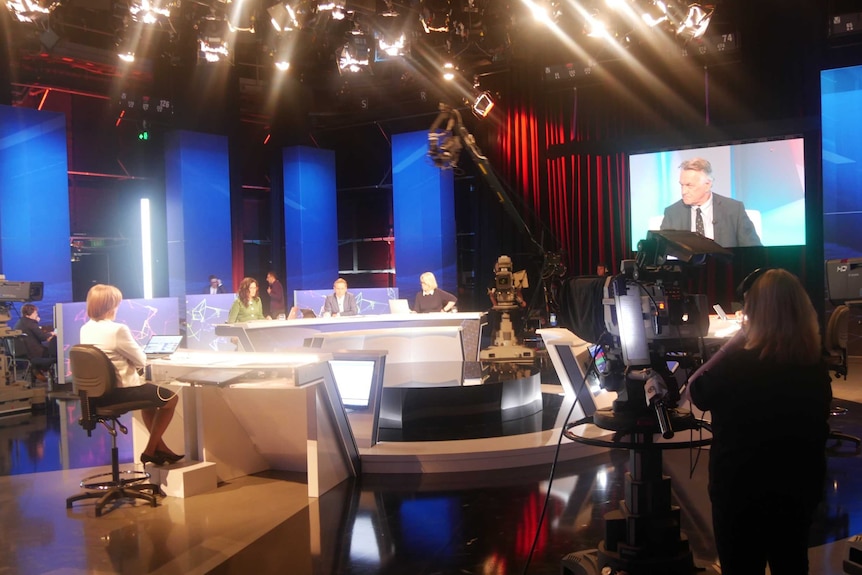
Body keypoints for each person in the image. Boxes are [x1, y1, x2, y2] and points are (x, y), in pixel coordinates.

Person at [687, 269, 831, 573]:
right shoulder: (814, 366)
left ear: (756, 312)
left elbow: (696, 391)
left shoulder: (738, 365)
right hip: (798, 490)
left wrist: (735, 342)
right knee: (791, 564)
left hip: (741, 494)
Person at [79, 284, 183, 466]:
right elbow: (141, 360)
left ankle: (161, 449)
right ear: (110, 306)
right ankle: (150, 450)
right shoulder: (117, 329)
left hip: (96, 396)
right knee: (171, 399)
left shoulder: (85, 328)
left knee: (150, 403)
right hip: (121, 391)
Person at [660, 158, 762, 248]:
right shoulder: (672, 213)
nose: (683, 191)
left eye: (689, 185)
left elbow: (754, 251)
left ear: (707, 185)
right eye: (682, 185)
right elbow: (660, 254)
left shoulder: (734, 210)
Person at [13, 304, 57, 381]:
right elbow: (43, 337)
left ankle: (37, 369)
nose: (37, 315)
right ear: (30, 314)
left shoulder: (20, 322)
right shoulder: (31, 323)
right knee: (55, 353)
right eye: (36, 313)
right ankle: (41, 369)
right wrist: (52, 333)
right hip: (34, 353)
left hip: (23, 352)